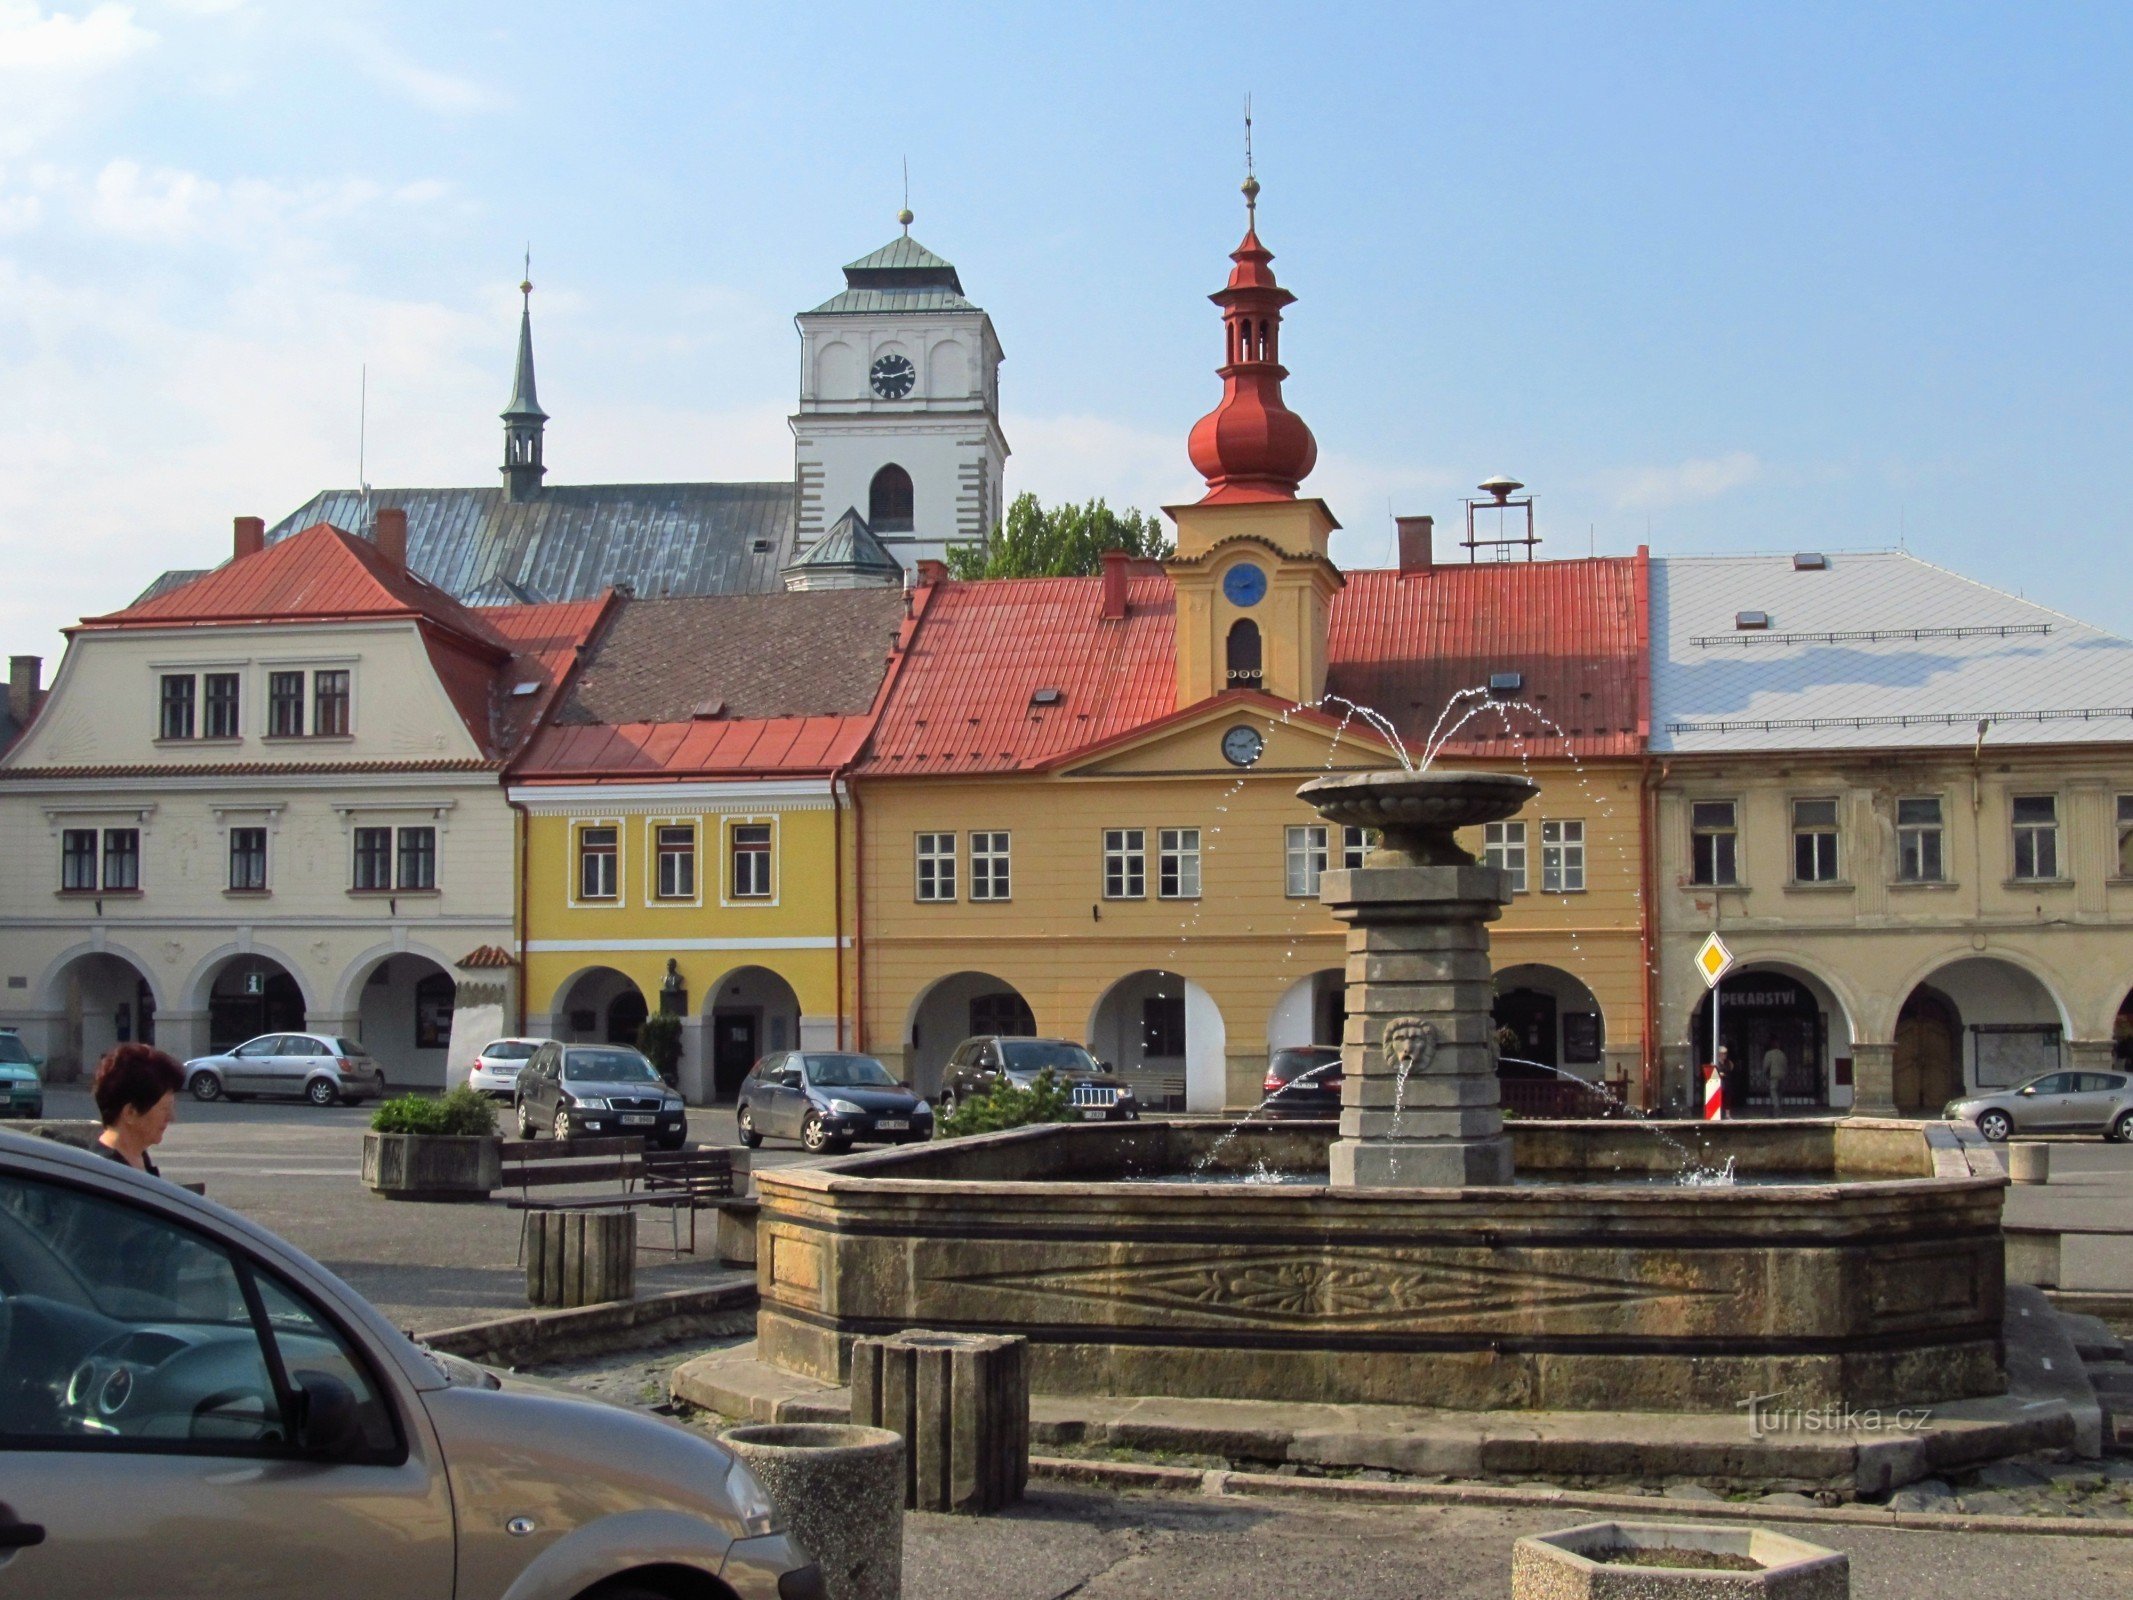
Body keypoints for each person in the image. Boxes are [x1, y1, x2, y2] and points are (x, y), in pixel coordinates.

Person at [92, 1042, 184, 1176]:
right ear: (130, 1113)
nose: (171, 1117)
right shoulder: (105, 1176)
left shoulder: (138, 1160)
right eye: (165, 1108)